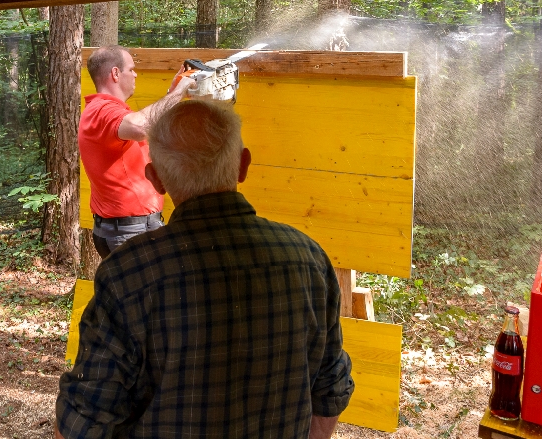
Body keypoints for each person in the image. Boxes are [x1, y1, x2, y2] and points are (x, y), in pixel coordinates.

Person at [56, 101, 354, 438]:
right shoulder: (310, 260)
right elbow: (331, 389)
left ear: (155, 179)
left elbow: (83, 420)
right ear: (243, 164)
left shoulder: (127, 274)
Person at [79, 45, 195, 258]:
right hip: (129, 231)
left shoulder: (105, 111)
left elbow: (146, 124)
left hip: (124, 229)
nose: (135, 74)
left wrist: (172, 94)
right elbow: (140, 127)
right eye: (131, 69)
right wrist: (179, 92)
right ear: (115, 73)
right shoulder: (103, 110)